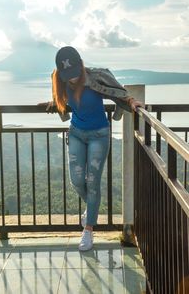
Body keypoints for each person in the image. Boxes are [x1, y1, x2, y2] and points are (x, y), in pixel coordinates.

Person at [45, 46, 143, 251]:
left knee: (93, 182)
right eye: (66, 75)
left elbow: (119, 92)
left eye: (74, 74)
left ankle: (88, 230)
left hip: (99, 134)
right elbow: (61, 99)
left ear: (81, 65)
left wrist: (132, 101)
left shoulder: (97, 76)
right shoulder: (59, 80)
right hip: (76, 133)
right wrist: (53, 102)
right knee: (77, 180)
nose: (71, 79)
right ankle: (91, 209)